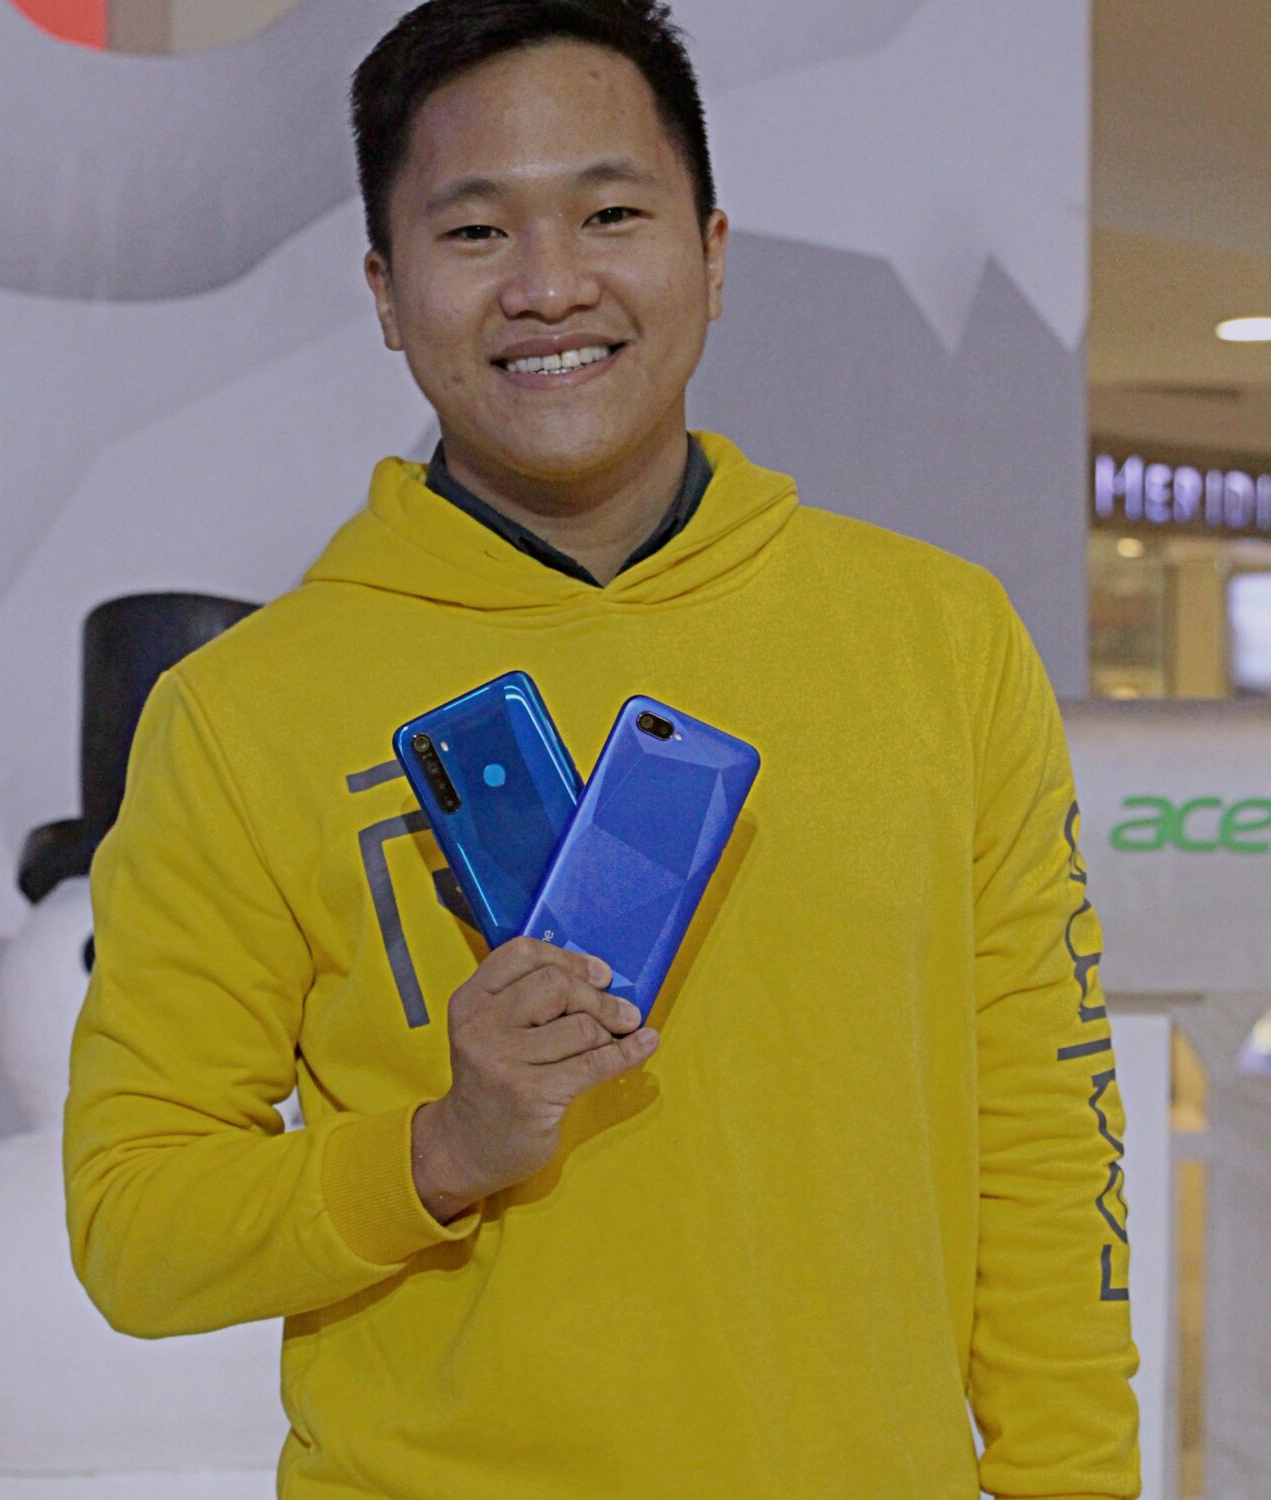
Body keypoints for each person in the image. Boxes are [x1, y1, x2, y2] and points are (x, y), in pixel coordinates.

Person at [62, 2, 1142, 1495]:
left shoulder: (939, 641)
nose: (550, 285)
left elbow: (1043, 1139)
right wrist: (441, 1147)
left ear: (712, 251)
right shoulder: (243, 714)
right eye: (474, 232)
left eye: (611, 213)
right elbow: (135, 1228)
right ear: (386, 292)